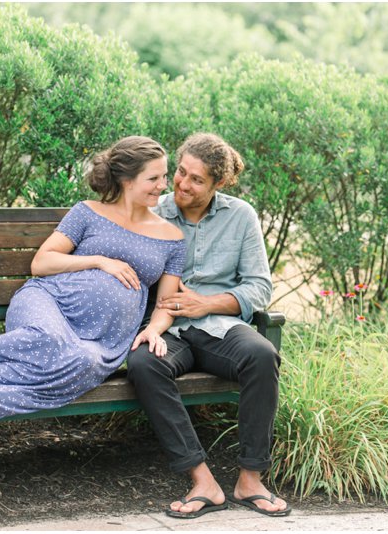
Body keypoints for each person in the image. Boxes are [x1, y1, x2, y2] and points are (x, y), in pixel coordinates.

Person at [0, 136, 186, 425]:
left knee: (82, 363)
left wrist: (155, 330)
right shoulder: (87, 212)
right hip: (49, 302)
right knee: (49, 339)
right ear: (127, 181)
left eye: (163, 176)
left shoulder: (172, 237)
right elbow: (42, 262)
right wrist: (99, 261)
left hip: (102, 339)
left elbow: (166, 302)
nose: (163, 186)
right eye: (154, 178)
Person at [126, 133, 290, 519]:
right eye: (180, 172)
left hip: (222, 326)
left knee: (262, 355)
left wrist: (207, 303)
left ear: (219, 184)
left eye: (196, 180)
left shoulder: (241, 216)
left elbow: (259, 286)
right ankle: (203, 481)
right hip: (168, 327)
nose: (182, 184)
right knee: (144, 365)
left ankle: (250, 479)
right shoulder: (153, 212)